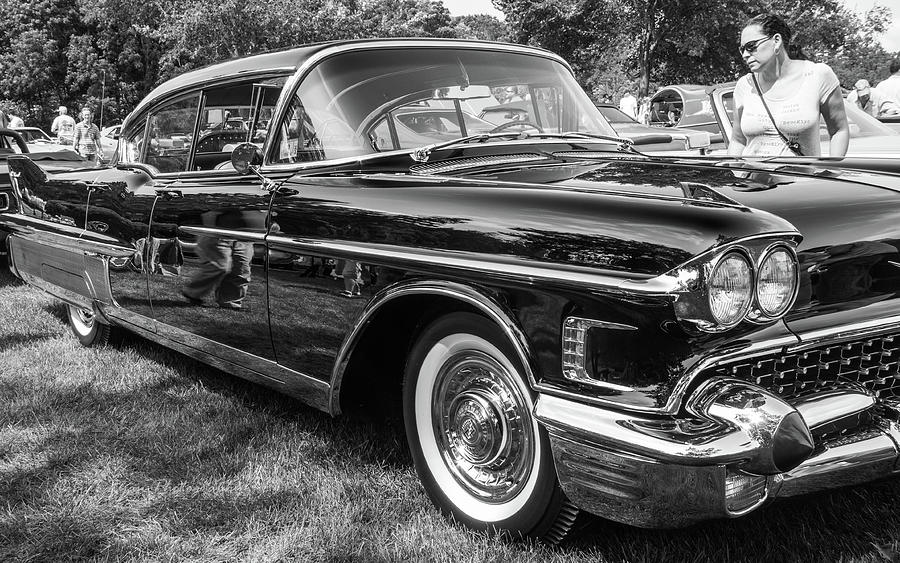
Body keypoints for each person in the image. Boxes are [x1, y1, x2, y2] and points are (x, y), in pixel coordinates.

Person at [729, 14, 848, 157]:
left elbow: (839, 130)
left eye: (751, 47)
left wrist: (832, 170)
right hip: (752, 178)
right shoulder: (744, 86)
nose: (745, 55)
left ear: (776, 41)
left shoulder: (817, 75)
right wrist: (734, 174)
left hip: (802, 178)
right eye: (742, 49)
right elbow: (737, 141)